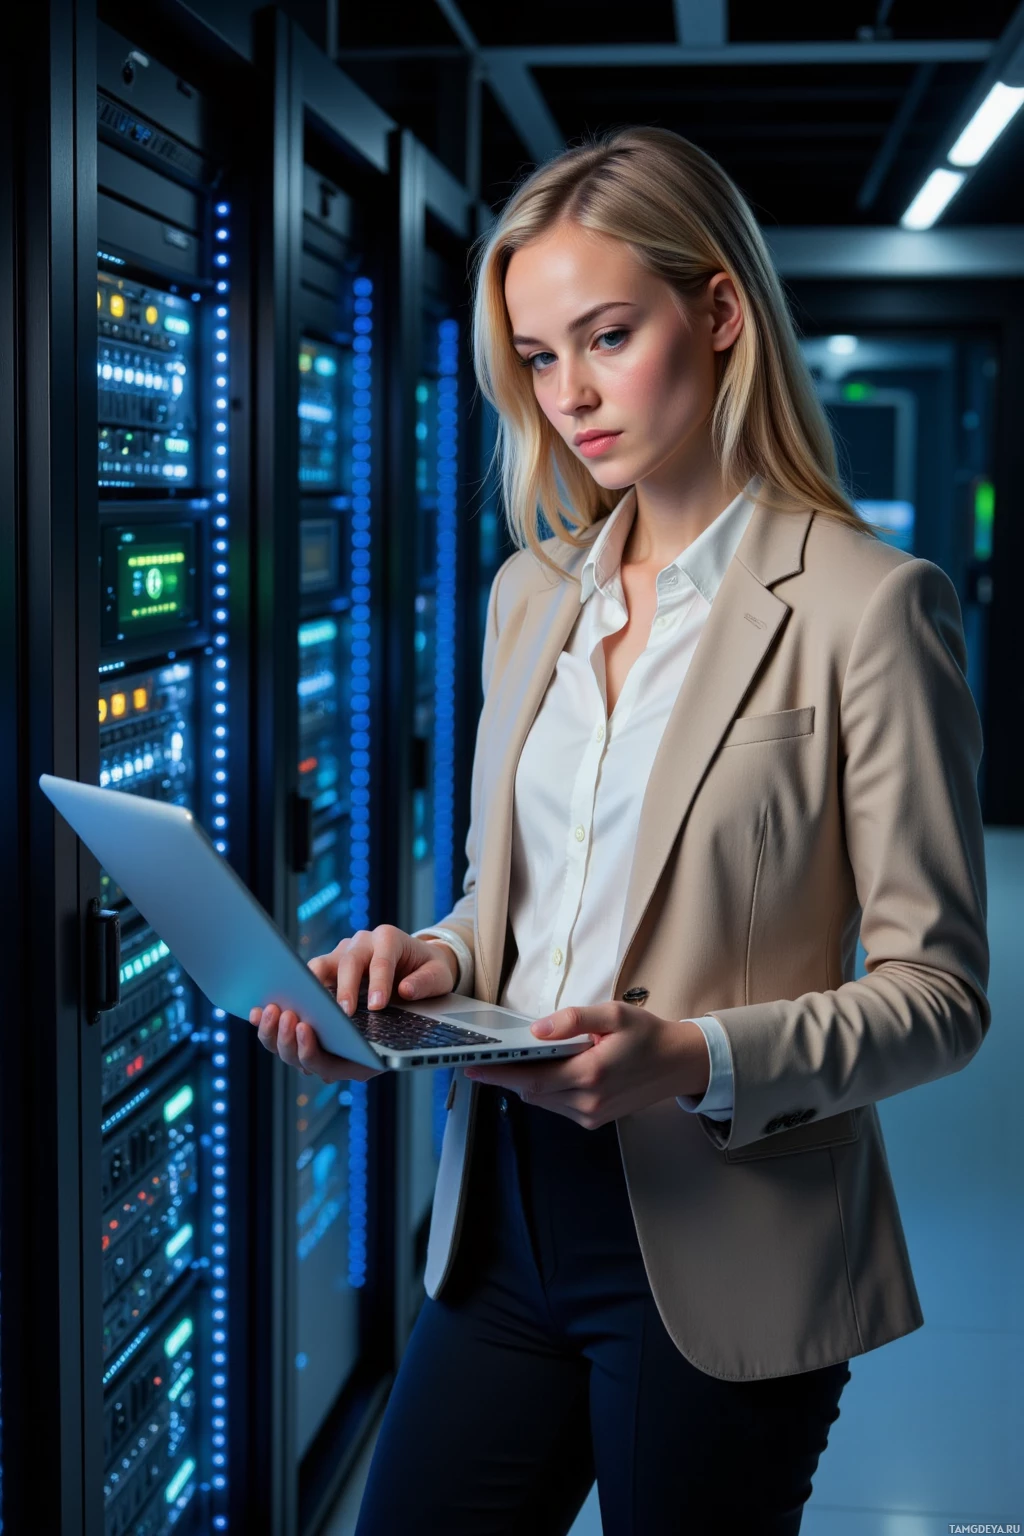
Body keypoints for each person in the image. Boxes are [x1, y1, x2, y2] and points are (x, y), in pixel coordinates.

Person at [250, 125, 990, 1535]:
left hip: (725, 1234)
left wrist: (696, 1059)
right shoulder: (532, 593)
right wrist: (427, 970)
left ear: (717, 314)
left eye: (606, 336)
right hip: (501, 1222)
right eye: (537, 357)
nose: (572, 395)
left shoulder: (869, 609)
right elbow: (500, 907)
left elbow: (942, 998)